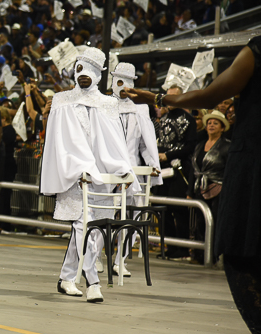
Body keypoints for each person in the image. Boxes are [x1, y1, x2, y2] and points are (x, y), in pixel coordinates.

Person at [127, 36, 261, 334]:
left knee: (238, 252)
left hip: (254, 162)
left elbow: (209, 94)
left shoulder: (259, 49)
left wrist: (160, 98)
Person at [40, 47, 136, 303]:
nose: (83, 74)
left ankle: (66, 278)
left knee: (92, 231)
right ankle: (93, 281)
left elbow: (116, 141)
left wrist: (123, 170)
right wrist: (75, 167)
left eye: (90, 69)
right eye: (79, 68)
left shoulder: (108, 103)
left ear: (99, 73)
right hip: (77, 175)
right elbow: (60, 141)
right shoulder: (62, 100)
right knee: (83, 225)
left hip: (104, 177)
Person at [113, 62, 161, 275]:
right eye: (119, 80)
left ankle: (120, 259)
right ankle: (94, 257)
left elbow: (146, 142)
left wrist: (152, 163)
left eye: (127, 82)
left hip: (133, 170)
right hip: (107, 168)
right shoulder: (104, 105)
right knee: (99, 212)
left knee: (134, 216)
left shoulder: (140, 109)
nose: (122, 86)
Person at [154, 85, 198, 259]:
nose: (169, 100)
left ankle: (182, 247)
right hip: (161, 169)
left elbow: (190, 146)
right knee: (161, 209)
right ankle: (170, 246)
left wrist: (169, 155)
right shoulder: (163, 118)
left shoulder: (189, 119)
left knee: (178, 209)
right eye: (168, 96)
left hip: (179, 170)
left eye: (173, 97)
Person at [187, 110, 230, 264]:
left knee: (216, 222)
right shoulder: (199, 145)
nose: (211, 125)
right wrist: (190, 190)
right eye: (209, 123)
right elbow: (194, 170)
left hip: (219, 190)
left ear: (222, 128)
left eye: (215, 123)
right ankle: (199, 255)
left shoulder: (227, 146)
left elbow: (229, 171)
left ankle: (214, 255)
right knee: (199, 222)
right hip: (200, 187)